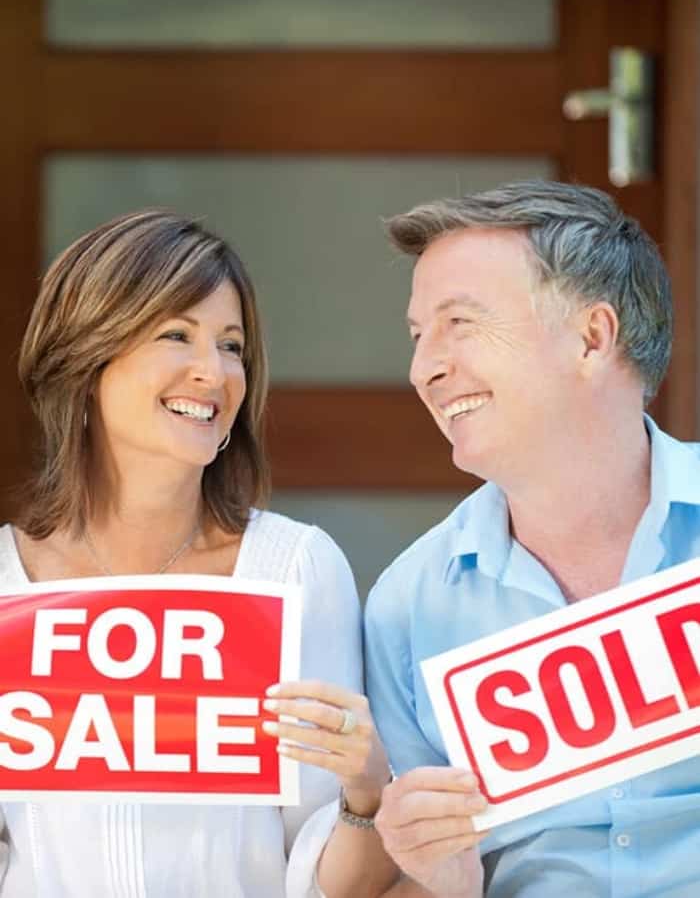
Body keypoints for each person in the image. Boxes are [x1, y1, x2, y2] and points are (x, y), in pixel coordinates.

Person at [0, 210, 399, 898]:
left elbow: (330, 882)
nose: (213, 372)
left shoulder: (295, 569)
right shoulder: (8, 579)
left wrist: (366, 789)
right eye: (176, 334)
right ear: (86, 358)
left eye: (232, 345)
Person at [364, 180, 700, 897]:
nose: (425, 368)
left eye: (461, 322)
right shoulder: (406, 608)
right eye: (420, 335)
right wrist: (441, 876)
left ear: (592, 336)